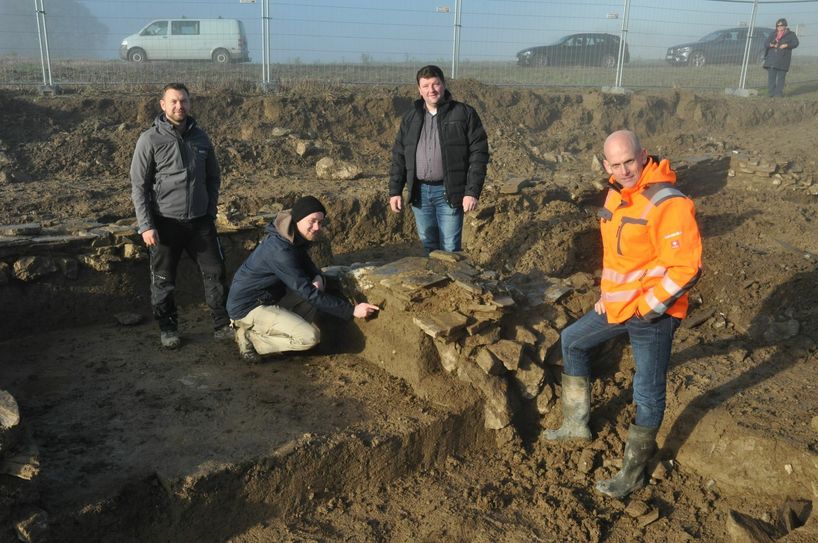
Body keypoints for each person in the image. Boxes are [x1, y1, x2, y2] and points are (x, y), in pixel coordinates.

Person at [542, 130, 703, 499]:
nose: (624, 169)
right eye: (615, 164)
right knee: (573, 341)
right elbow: (617, 256)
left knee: (646, 390)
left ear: (643, 155)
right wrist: (606, 293)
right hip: (619, 304)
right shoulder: (616, 192)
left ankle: (633, 473)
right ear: (605, 165)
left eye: (629, 161)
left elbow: (687, 268)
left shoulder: (668, 202)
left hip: (653, 314)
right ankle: (576, 424)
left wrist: (649, 307)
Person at [130, 82, 231, 349]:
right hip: (165, 223)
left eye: (184, 101)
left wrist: (210, 211)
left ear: (189, 103)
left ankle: (222, 325)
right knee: (163, 279)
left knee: (216, 273)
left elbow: (213, 177)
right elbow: (139, 186)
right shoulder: (149, 139)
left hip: (200, 223)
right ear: (163, 105)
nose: (179, 106)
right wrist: (146, 225)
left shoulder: (200, 137)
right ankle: (168, 329)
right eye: (173, 101)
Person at [226, 196, 380, 362]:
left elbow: (307, 265)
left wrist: (317, 276)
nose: (317, 227)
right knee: (310, 337)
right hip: (248, 307)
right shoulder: (280, 250)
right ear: (298, 219)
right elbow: (307, 292)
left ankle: (272, 331)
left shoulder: (291, 236)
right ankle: (251, 338)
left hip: (269, 297)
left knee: (315, 292)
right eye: (312, 221)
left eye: (320, 222)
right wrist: (351, 310)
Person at [388, 65, 489, 253]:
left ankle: (453, 283)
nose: (431, 90)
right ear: (419, 89)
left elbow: (479, 154)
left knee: (450, 248)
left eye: (435, 84)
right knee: (428, 246)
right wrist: (395, 191)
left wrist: (472, 191)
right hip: (419, 192)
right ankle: (436, 282)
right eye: (425, 86)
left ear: (444, 85)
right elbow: (399, 155)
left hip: (449, 192)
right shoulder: (411, 118)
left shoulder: (464, 113)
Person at [763, 18, 799, 98]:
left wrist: (787, 45)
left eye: (781, 25)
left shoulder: (791, 34)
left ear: (785, 26)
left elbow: (796, 43)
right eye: (777, 25)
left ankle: (778, 94)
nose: (779, 27)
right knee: (771, 78)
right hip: (772, 59)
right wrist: (771, 45)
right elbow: (765, 43)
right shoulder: (773, 34)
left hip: (783, 60)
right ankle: (771, 94)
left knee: (781, 78)